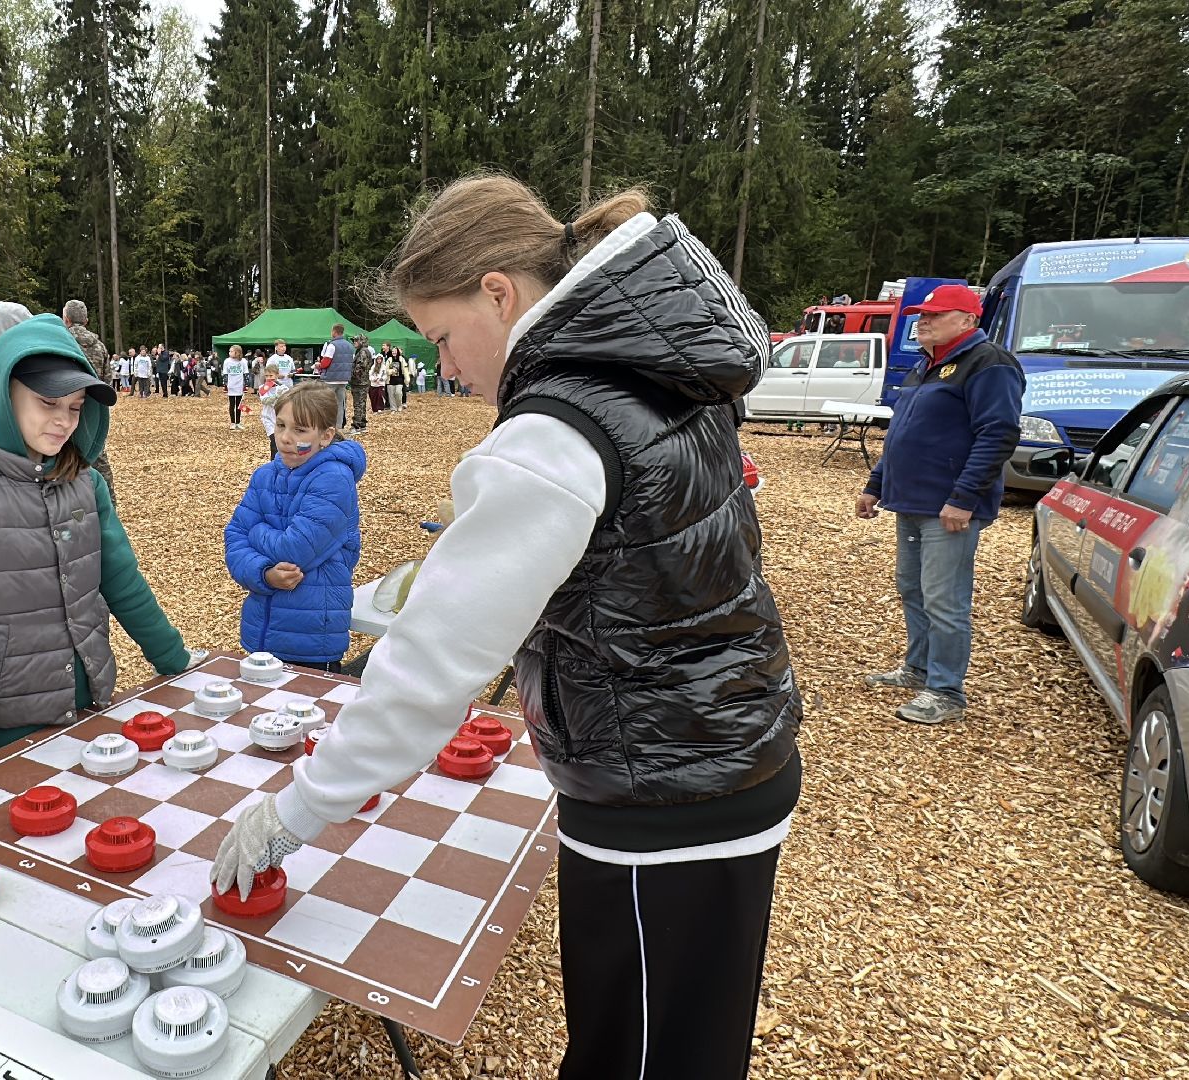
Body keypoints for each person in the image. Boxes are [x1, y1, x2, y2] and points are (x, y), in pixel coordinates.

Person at [210, 175, 801, 1080]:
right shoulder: (639, 368)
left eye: (443, 337)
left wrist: (297, 812)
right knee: (676, 1046)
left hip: (663, 785)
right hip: (713, 748)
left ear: (498, 293)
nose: (445, 366)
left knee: (636, 1057)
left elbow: (428, 668)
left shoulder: (554, 426)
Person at [0, 313, 201, 789]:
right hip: (2, 722)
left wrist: (174, 658)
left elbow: (121, 580)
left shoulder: (84, 482)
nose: (64, 421)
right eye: (48, 402)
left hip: (87, 701)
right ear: (2, 393)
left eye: (76, 407)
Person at [856, 282, 1023, 725]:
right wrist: (876, 484)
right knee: (912, 588)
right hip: (911, 500)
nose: (923, 321)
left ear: (968, 320)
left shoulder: (988, 364)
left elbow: (998, 434)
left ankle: (946, 690)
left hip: (949, 508)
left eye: (935, 315)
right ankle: (918, 668)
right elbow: (901, 433)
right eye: (922, 315)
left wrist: (963, 498)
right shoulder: (927, 364)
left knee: (945, 599)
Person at [224, 382, 365, 672]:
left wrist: (255, 531)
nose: (286, 438)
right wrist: (264, 573)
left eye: (300, 430)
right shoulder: (265, 476)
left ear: (325, 436)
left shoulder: (334, 479)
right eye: (281, 426)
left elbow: (295, 549)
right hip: (261, 632)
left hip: (311, 641)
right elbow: (234, 537)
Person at [61, 300, 121, 503]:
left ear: (66, 319)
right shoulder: (100, 347)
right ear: (86, 321)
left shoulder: (61, 341)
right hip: (94, 410)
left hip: (64, 408)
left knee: (62, 455)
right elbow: (106, 382)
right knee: (98, 456)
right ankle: (108, 503)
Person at [315, 323, 354, 431]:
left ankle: (327, 426)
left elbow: (326, 362)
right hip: (343, 379)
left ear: (334, 332)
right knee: (340, 404)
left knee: (327, 403)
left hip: (331, 379)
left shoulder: (332, 345)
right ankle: (338, 427)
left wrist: (319, 365)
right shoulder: (350, 346)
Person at [254, 362, 287, 458]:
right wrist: (276, 396)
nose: (269, 378)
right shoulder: (262, 388)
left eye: (271, 375)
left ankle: (283, 460)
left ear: (277, 375)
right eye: (266, 376)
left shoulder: (283, 387)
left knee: (281, 441)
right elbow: (265, 401)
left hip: (280, 418)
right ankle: (273, 461)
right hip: (268, 418)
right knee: (274, 440)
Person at [222, 344, 249, 429]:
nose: (229, 352)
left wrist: (246, 385)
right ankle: (232, 422)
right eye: (229, 351)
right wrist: (225, 385)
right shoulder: (227, 361)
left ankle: (238, 422)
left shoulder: (243, 361)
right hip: (231, 386)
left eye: (231, 351)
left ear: (237, 352)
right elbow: (225, 373)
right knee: (232, 404)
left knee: (239, 404)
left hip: (239, 385)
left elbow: (246, 373)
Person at [367, 345, 389, 413]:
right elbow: (370, 374)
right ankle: (375, 409)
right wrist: (373, 379)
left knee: (380, 396)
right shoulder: (373, 367)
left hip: (380, 384)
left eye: (380, 359)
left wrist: (381, 379)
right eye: (378, 359)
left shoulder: (383, 367)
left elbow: (385, 375)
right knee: (373, 396)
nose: (379, 360)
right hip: (374, 384)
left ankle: (380, 408)